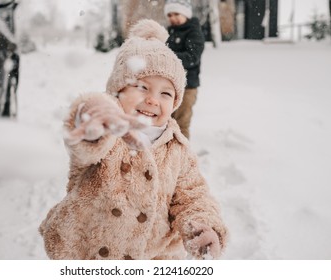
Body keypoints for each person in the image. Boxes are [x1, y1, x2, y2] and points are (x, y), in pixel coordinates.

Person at [39, 19, 227, 260]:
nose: (152, 100)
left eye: (166, 93)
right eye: (142, 87)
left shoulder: (177, 149)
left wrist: (202, 225)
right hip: (93, 253)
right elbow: (86, 149)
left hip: (153, 256)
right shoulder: (108, 131)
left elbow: (193, 195)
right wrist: (92, 123)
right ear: (117, 91)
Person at [164, 0, 205, 139]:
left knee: (181, 124)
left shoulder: (194, 31)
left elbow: (192, 57)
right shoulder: (169, 32)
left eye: (176, 13)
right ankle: (166, 154)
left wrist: (167, 57)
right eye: (169, 15)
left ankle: (182, 155)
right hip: (169, 85)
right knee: (166, 122)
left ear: (185, 13)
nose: (172, 18)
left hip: (188, 86)